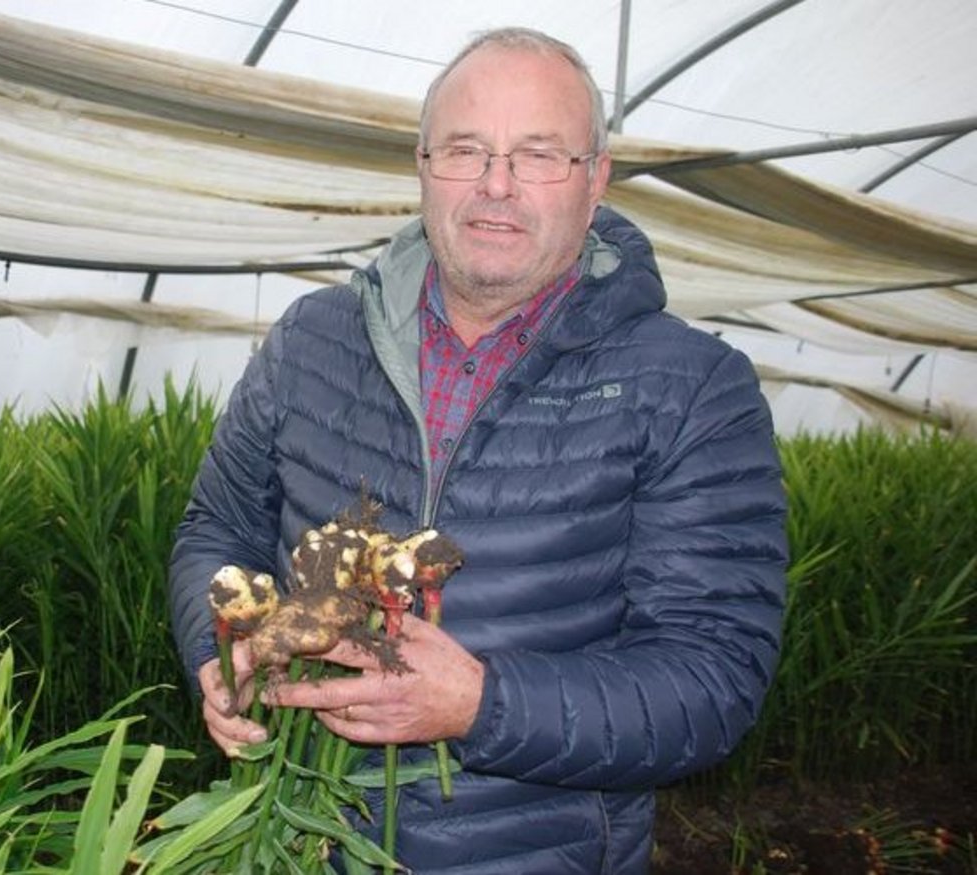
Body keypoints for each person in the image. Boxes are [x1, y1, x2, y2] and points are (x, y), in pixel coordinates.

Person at [168, 25, 788, 874]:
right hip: (302, 841)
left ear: (596, 179)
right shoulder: (312, 340)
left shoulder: (691, 387)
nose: (497, 184)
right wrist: (219, 645)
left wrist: (481, 705)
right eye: (466, 150)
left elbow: (712, 677)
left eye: (539, 155)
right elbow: (217, 527)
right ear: (423, 165)